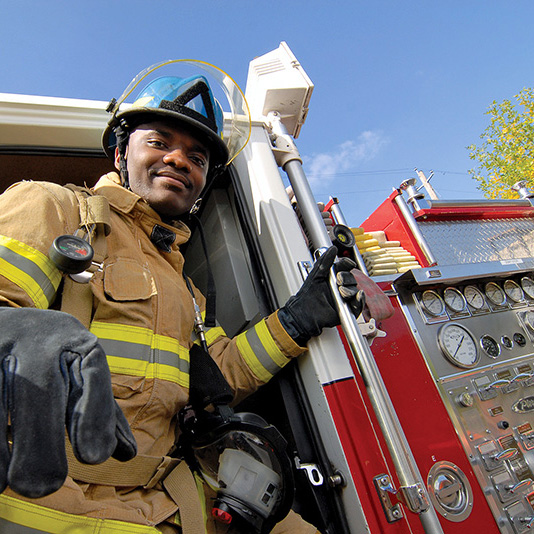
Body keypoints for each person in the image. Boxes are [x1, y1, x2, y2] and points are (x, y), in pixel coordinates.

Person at [0, 62, 388, 534]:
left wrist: (297, 320)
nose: (180, 160)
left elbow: (219, 372)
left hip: (170, 495)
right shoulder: (52, 207)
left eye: (198, 158)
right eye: (159, 142)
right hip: (52, 498)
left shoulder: (184, 285)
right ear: (121, 154)